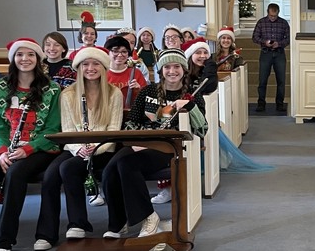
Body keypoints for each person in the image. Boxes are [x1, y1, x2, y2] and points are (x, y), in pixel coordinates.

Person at [0, 38, 61, 251]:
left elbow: (53, 129)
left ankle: (3, 240)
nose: (25, 59)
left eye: (30, 54)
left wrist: (27, 149)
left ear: (38, 59)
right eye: (19, 54)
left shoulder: (52, 89)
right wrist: (2, 152)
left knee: (15, 174)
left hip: (39, 147)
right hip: (6, 146)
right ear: (13, 58)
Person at [102, 49, 206, 240]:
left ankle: (149, 217)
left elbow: (202, 129)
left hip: (170, 148)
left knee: (127, 165)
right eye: (167, 67)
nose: (172, 71)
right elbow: (131, 122)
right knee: (109, 170)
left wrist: (190, 107)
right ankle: (119, 223)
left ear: (184, 69)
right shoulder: (148, 91)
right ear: (161, 70)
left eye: (176, 67)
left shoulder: (192, 95)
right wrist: (138, 140)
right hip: (141, 144)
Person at [36, 47, 121, 247]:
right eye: (85, 64)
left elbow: (114, 130)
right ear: (78, 68)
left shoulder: (114, 93)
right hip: (75, 148)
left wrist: (95, 148)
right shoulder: (68, 94)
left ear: (104, 67)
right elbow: (67, 130)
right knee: (50, 176)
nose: (90, 68)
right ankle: (46, 234)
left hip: (104, 148)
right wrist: (79, 149)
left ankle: (78, 222)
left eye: (95, 64)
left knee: (68, 168)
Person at [252, 3, 290, 112]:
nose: (273, 18)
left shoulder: (283, 23)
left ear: (278, 13)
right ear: (267, 12)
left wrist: (279, 44)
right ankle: (261, 103)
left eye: (275, 16)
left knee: (281, 80)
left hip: (279, 53)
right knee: (262, 80)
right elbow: (255, 37)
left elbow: (288, 38)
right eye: (271, 15)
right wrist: (265, 42)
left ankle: (280, 104)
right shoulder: (261, 22)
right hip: (266, 53)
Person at [103, 35, 146, 115]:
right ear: (108, 53)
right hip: (107, 113)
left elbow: (146, 98)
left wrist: (139, 90)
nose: (120, 55)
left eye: (124, 52)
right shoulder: (102, 73)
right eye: (115, 51)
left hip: (131, 115)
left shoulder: (136, 73)